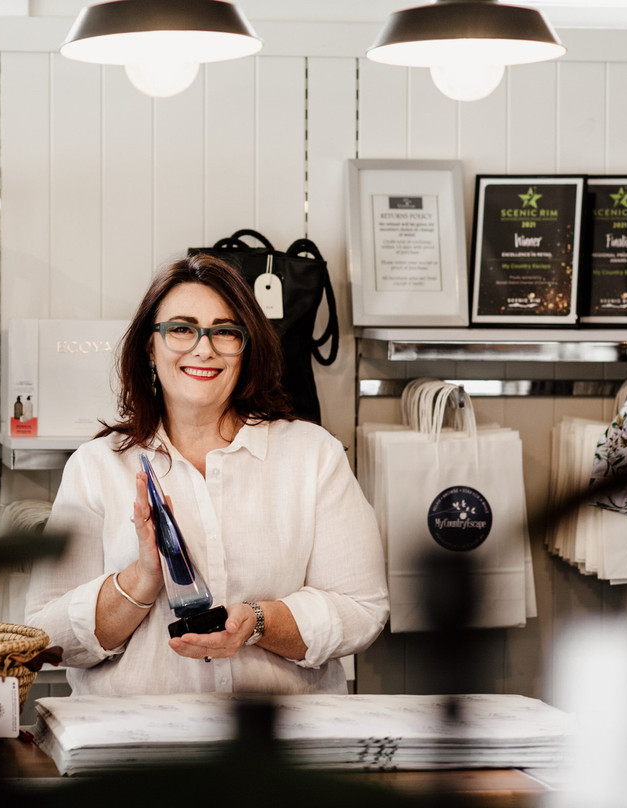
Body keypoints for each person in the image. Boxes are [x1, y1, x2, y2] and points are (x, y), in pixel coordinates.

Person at [24, 253, 388, 696]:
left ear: (246, 346)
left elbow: (362, 609)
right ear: (148, 345)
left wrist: (257, 622)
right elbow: (44, 638)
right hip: (133, 748)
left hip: (280, 749)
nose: (204, 348)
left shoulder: (314, 456)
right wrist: (140, 581)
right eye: (181, 328)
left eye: (225, 332)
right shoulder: (96, 466)